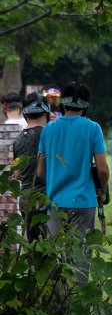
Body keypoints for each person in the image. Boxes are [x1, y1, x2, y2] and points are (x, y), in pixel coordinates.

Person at [36, 82, 108, 257]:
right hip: (83, 202)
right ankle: (79, 286)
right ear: (85, 106)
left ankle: (55, 285)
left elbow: (39, 172)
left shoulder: (48, 130)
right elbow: (103, 169)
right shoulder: (93, 128)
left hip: (55, 202)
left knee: (54, 256)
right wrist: (103, 191)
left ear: (63, 104)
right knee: (80, 257)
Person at [12, 92, 49, 241]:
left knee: (34, 248)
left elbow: (18, 175)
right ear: (46, 112)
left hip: (26, 200)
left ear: (25, 114)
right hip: (45, 200)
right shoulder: (48, 135)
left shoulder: (18, 140)